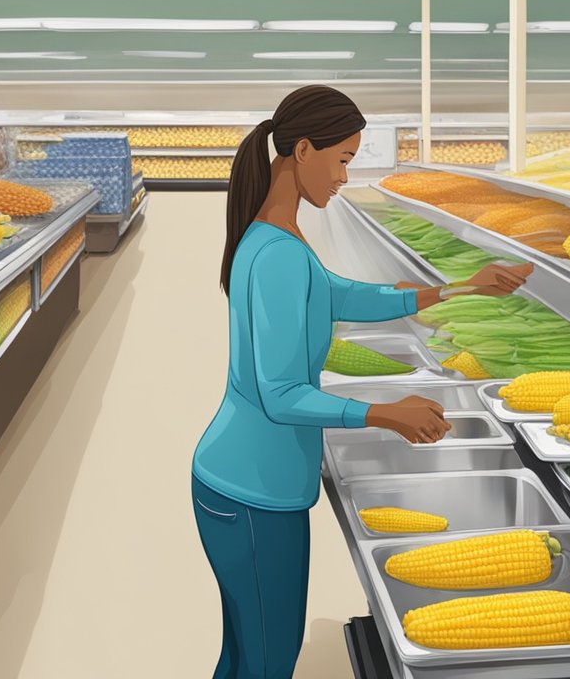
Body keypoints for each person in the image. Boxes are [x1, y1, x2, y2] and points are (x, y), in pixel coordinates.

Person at [191, 85, 531, 679]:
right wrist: (383, 414)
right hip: (252, 494)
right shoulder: (275, 253)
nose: (346, 176)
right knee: (267, 662)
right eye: (344, 159)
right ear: (302, 150)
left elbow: (347, 295)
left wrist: (462, 287)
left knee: (244, 654)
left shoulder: (277, 239)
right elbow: (280, 394)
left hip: (242, 484)